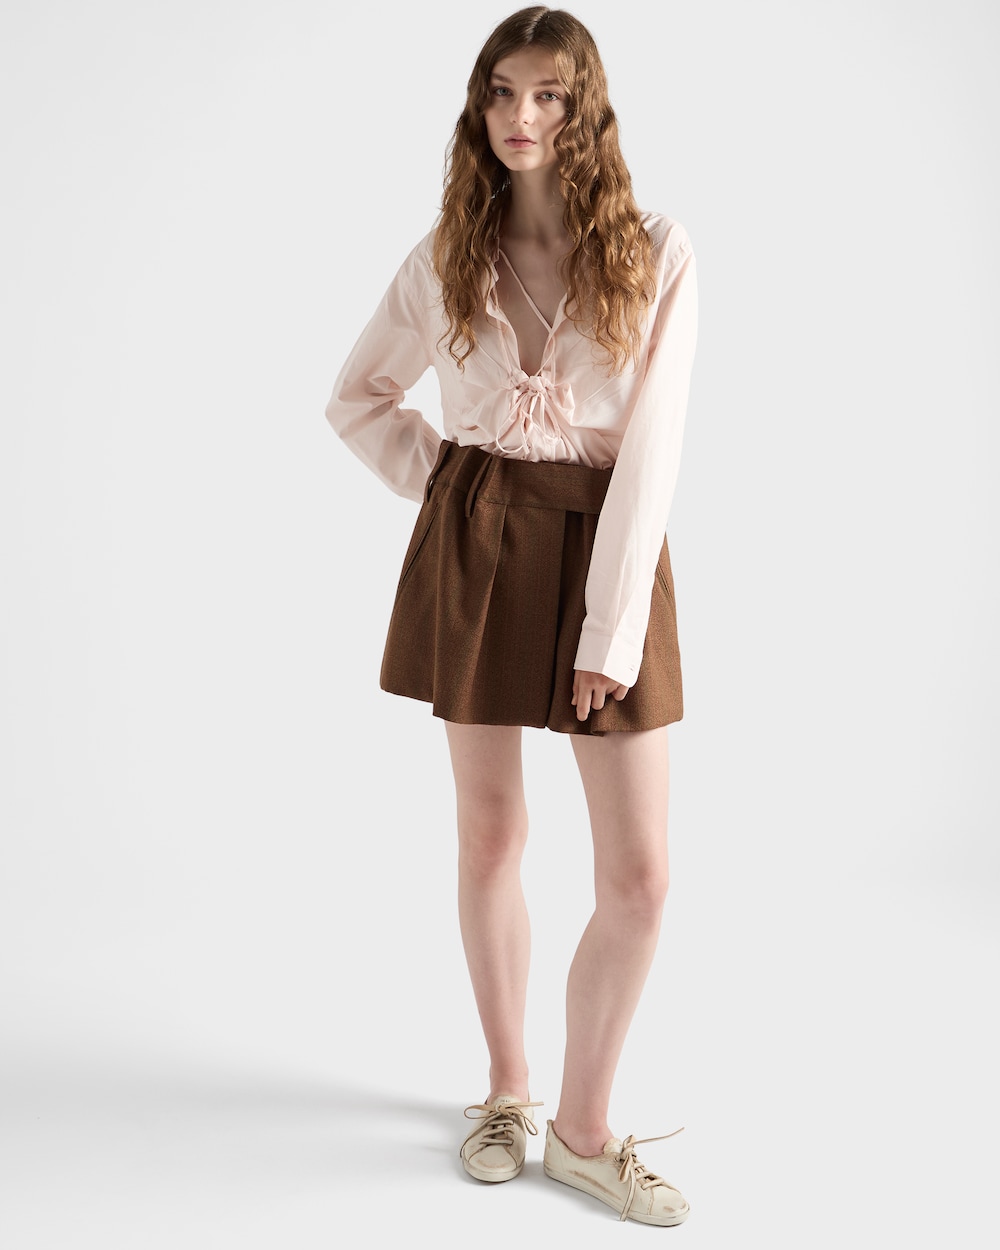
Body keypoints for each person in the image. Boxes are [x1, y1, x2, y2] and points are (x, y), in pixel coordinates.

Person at [325, 6, 697, 1227]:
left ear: (584, 109)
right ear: (476, 106)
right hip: (478, 547)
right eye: (499, 92)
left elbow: (651, 453)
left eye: (546, 94)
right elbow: (356, 396)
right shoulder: (446, 254)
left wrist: (608, 634)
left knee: (638, 876)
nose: (519, 116)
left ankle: (584, 1133)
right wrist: (448, 485)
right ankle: (506, 1090)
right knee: (489, 838)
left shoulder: (655, 249)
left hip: (605, 550)